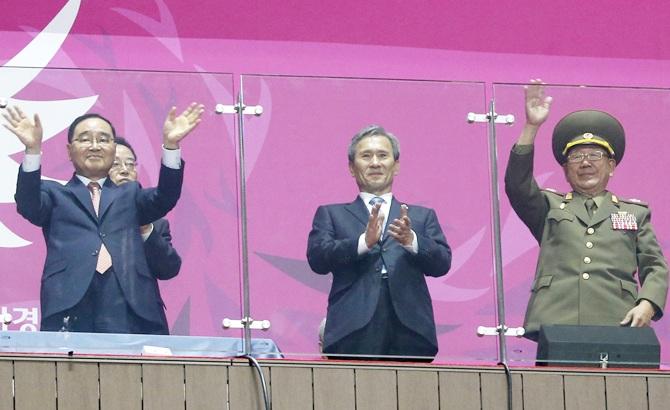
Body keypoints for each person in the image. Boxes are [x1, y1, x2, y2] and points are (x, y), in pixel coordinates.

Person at [3, 103, 203, 334]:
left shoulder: (131, 194)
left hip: (132, 309)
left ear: (112, 147)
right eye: (85, 139)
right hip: (70, 305)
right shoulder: (54, 194)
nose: (95, 146)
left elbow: (165, 197)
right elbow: (28, 204)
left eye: (104, 139)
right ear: (69, 150)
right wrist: (32, 151)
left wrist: (171, 147)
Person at [505, 80, 668, 341]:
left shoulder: (635, 213)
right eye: (576, 157)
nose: (585, 163)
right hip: (557, 320)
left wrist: (648, 303)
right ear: (565, 170)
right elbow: (517, 185)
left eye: (594, 155)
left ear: (611, 166)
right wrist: (531, 127)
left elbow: (655, 267)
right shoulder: (549, 206)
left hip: (618, 320)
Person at [306, 125, 452, 360]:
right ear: (352, 168)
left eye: (383, 155)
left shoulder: (421, 216)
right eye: (366, 156)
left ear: (396, 166)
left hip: (412, 330)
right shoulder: (331, 214)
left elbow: (442, 263)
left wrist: (411, 240)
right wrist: (363, 242)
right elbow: (317, 259)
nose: (375, 163)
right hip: (351, 329)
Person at [108, 136, 182, 333]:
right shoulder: (84, 217)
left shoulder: (156, 223)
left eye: (130, 164)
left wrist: (145, 229)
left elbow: (169, 268)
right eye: (115, 164)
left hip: (143, 324)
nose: (124, 170)